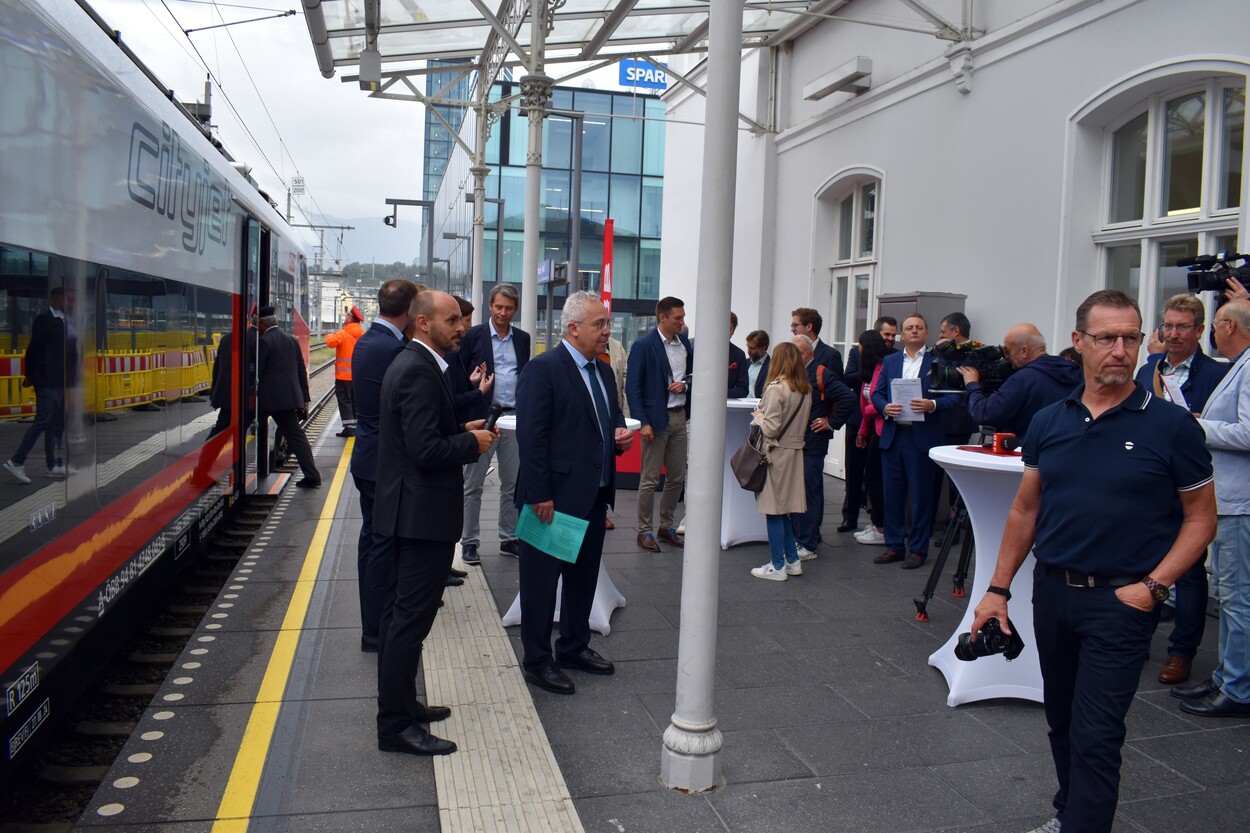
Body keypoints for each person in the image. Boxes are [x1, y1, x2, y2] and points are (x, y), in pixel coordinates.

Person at [970, 289, 1216, 833]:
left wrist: (1154, 586)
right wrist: (997, 590)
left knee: (1098, 733)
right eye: (1106, 338)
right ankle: (1068, 814)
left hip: (1123, 602)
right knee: (1061, 721)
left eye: (1131, 337)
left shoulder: (1172, 426)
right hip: (1053, 594)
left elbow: (1201, 520)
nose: (1121, 350)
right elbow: (1025, 509)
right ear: (1079, 343)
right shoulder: (1049, 421)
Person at [374, 290, 496, 756]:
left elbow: (416, 438)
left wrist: (459, 431)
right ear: (423, 323)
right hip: (420, 516)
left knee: (399, 619)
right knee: (409, 621)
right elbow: (425, 453)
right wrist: (472, 445)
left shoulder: (414, 364)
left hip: (408, 511)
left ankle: (403, 705)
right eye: (451, 320)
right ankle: (395, 724)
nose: (461, 327)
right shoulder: (419, 371)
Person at [515, 291, 633, 694]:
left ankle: (573, 646)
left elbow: (610, 416)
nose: (607, 330)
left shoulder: (601, 370)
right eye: (600, 324)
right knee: (541, 584)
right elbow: (532, 438)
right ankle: (536, 660)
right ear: (573, 328)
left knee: (583, 579)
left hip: (593, 496)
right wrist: (539, 494)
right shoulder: (543, 370)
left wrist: (618, 436)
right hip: (552, 500)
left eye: (607, 323)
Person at [1132, 294, 1229, 685]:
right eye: (1167, 326)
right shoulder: (1147, 369)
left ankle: (1182, 652)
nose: (1172, 334)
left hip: (1192, 483)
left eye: (1182, 326)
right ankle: (1137, 639)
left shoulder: (1217, 374)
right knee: (1142, 560)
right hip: (1148, 482)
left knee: (1188, 571)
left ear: (1200, 331)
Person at [1174, 299, 1250, 718]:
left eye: (1216, 325)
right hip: (1228, 500)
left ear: (1229, 325)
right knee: (1229, 594)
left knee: (1237, 599)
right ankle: (1227, 676)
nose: (1214, 334)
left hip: (1240, 502)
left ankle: (1238, 687)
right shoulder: (1239, 364)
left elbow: (1247, 432)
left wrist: (1194, 423)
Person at [350, 280, 421, 653]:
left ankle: (372, 622)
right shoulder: (394, 348)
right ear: (409, 310)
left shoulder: (367, 340)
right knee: (382, 544)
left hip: (367, 457)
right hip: (385, 463)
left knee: (371, 541)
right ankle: (376, 628)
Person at [869, 313, 959, 569]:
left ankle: (918, 550)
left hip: (921, 437)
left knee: (920, 496)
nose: (914, 331)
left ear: (926, 332)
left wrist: (932, 404)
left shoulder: (939, 361)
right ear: (902, 334)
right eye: (909, 328)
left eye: (919, 327)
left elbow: (954, 398)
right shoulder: (890, 361)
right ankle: (894, 546)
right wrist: (885, 407)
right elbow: (876, 393)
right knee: (892, 494)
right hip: (893, 435)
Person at [456, 284, 531, 564]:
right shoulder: (472, 336)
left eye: (509, 308)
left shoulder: (522, 339)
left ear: (515, 310)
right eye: (498, 306)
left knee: (512, 483)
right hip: (483, 419)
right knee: (472, 483)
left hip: (513, 419)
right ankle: (470, 542)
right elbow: (460, 378)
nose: (503, 312)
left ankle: (508, 538)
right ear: (490, 306)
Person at [626, 296, 692, 553]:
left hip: (679, 415)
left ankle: (666, 526)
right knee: (650, 479)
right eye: (678, 318)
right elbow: (632, 387)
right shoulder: (643, 345)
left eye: (683, 317)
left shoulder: (684, 343)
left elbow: (691, 374)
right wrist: (642, 421)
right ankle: (645, 531)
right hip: (655, 419)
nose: (682, 322)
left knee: (677, 477)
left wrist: (685, 385)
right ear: (662, 318)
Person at [748, 341, 813, 581]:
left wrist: (758, 416)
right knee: (783, 511)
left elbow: (772, 428)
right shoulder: (805, 388)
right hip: (794, 454)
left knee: (774, 511)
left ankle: (777, 565)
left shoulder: (777, 388)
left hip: (776, 454)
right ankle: (792, 561)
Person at [958, 323, 1082, 444]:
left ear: (1024, 351)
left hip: (1022, 455)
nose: (1005, 357)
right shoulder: (1075, 372)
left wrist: (972, 384)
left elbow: (985, 414)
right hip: (1061, 449)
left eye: (1007, 351)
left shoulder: (1022, 379)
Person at [789, 333, 854, 560]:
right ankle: (806, 537)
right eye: (793, 351)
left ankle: (807, 543)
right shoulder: (794, 373)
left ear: (811, 354)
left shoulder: (820, 372)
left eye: (801, 352)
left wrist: (831, 422)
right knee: (801, 491)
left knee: (808, 491)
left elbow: (848, 398)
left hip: (813, 442)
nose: (796, 356)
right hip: (797, 442)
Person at [5, 287, 76, 484]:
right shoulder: (44, 320)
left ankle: (54, 463)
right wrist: (29, 375)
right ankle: (17, 460)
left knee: (57, 423)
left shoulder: (66, 322)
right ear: (54, 300)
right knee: (44, 421)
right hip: (46, 381)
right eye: (64, 300)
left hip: (60, 381)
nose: (68, 304)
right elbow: (33, 349)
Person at [841, 316, 900, 533]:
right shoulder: (858, 355)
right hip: (860, 422)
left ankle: (879, 522)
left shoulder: (892, 360)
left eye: (894, 335)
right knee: (854, 470)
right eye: (887, 335)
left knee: (875, 476)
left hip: (879, 425)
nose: (891, 339)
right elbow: (848, 378)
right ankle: (851, 517)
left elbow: (884, 397)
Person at [256, 306, 320, 488]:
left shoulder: (264, 342)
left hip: (268, 400)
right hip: (289, 399)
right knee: (297, 438)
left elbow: (258, 373)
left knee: (242, 431)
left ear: (261, 323)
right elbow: (301, 370)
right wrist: (304, 398)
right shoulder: (291, 340)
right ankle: (312, 475)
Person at [853, 330, 890, 545]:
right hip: (873, 430)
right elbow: (865, 403)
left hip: (884, 431)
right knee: (872, 478)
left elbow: (880, 402)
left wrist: (868, 411)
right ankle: (877, 523)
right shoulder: (870, 371)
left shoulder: (883, 368)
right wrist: (862, 431)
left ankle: (882, 528)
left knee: (877, 480)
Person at [325, 305, 365, 437]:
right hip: (358, 376)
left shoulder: (343, 334)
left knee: (344, 401)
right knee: (355, 401)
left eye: (347, 316)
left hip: (343, 376)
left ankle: (349, 428)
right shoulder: (362, 334)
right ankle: (355, 426)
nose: (345, 318)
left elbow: (330, 342)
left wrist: (329, 335)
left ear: (351, 319)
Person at [727, 311, 749, 398]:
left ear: (733, 331)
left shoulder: (738, 355)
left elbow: (743, 389)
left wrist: (720, 393)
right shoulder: (700, 351)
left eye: (729, 328)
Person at [746, 330, 770, 397]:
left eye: (752, 348)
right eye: (748, 347)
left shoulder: (772, 366)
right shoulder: (745, 363)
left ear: (763, 348)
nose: (748, 351)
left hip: (758, 406)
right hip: (740, 404)